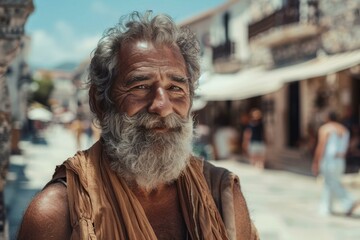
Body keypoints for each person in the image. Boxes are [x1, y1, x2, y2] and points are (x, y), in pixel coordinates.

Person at [18, 11, 259, 239]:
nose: (162, 106)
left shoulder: (221, 195)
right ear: (100, 102)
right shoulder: (58, 213)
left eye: (176, 88)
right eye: (140, 87)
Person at [312, 111, 360, 216]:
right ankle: (326, 208)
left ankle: (349, 201)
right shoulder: (344, 129)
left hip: (330, 159)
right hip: (340, 160)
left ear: (327, 118)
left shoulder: (325, 128)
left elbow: (321, 146)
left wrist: (316, 161)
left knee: (331, 182)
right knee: (329, 183)